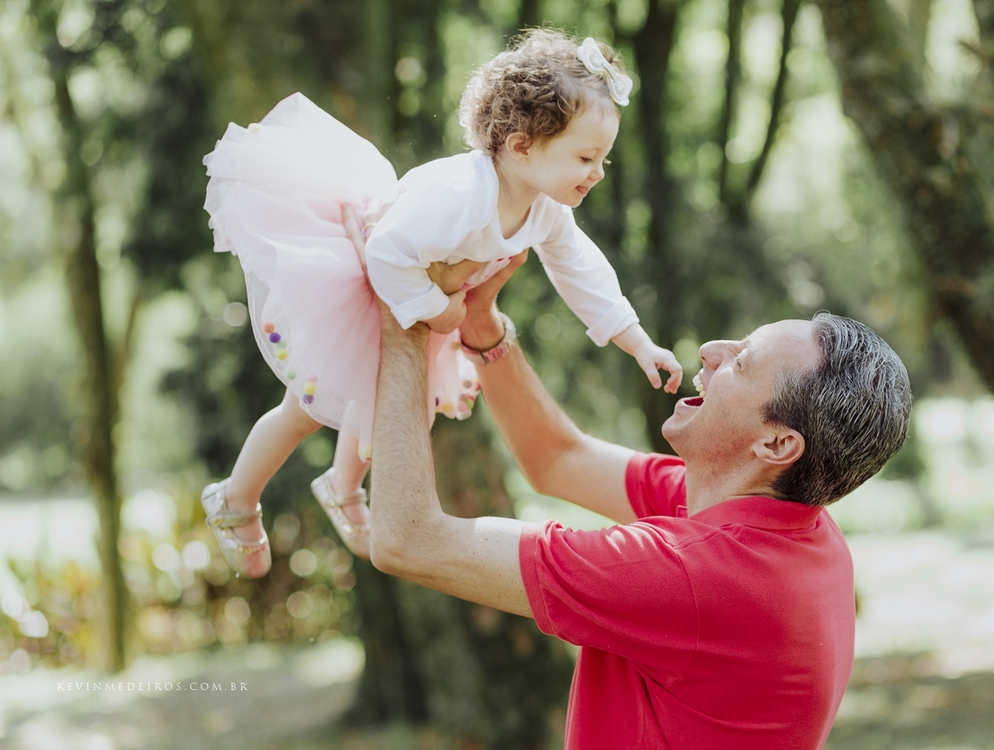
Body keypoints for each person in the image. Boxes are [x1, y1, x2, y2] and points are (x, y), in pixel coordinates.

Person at [359, 218, 914, 749]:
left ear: (776, 445)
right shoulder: (780, 518)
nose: (711, 352)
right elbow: (557, 458)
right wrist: (482, 327)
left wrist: (405, 313)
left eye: (741, 363)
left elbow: (406, 539)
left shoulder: (695, 577)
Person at [198, 30, 682, 578]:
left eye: (603, 160)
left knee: (395, 407)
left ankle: (342, 485)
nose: (597, 172)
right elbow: (385, 253)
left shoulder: (543, 207)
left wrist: (638, 343)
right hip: (366, 285)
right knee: (308, 409)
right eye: (586, 157)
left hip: (417, 302)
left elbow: (582, 271)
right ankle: (234, 497)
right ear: (521, 146)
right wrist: (440, 309)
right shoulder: (460, 194)